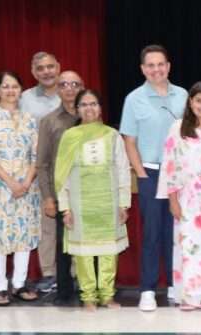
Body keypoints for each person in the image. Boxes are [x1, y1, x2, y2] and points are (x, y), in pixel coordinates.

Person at [118, 44, 187, 311]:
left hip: (179, 174)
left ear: (168, 66)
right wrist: (142, 173)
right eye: (150, 65)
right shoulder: (134, 99)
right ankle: (147, 289)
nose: (156, 69)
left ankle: (174, 284)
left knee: (176, 232)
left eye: (161, 64)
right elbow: (129, 141)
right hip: (150, 172)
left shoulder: (183, 95)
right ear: (143, 69)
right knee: (152, 233)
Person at [55, 89, 131, 311]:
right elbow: (61, 175)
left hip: (108, 202)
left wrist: (123, 203)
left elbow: (123, 170)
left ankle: (107, 295)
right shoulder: (70, 137)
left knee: (109, 252)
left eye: (94, 104)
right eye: (84, 105)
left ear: (100, 108)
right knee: (83, 253)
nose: (89, 108)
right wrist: (65, 207)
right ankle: (88, 295)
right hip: (80, 203)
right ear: (77, 109)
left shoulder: (112, 135)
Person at [156, 81, 201, 310]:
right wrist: (173, 199)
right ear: (190, 102)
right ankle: (189, 294)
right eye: (199, 101)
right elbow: (170, 164)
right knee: (189, 245)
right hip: (187, 197)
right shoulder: (178, 128)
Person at [0, 71, 41, 306]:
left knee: (24, 235)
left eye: (15, 86)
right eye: (5, 86)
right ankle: (1, 287)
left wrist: (26, 181)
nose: (10, 91)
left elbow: (36, 154)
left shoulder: (29, 118)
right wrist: (11, 182)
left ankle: (20, 284)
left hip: (27, 186)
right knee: (1, 236)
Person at [36, 71, 84, 306]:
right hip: (62, 192)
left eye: (75, 84)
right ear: (58, 89)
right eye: (64, 84)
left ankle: (92, 287)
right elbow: (42, 163)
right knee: (63, 244)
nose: (69, 89)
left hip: (90, 191)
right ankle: (64, 291)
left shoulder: (92, 117)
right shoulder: (49, 121)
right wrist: (47, 197)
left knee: (91, 241)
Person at [19, 52, 62, 293]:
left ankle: (75, 273)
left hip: (68, 167)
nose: (47, 72)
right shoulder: (25, 99)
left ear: (58, 67)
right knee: (46, 223)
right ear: (34, 72)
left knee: (72, 220)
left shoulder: (70, 93)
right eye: (41, 68)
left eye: (50, 66)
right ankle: (48, 273)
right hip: (39, 168)